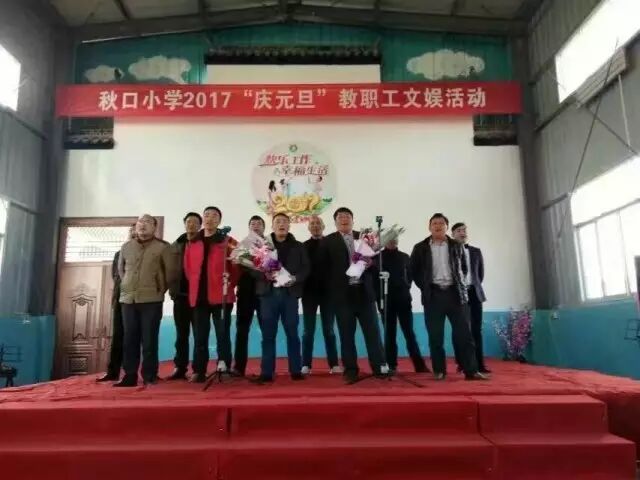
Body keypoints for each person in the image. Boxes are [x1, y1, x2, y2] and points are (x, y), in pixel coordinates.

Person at [410, 213, 488, 381]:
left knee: (465, 335)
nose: (438, 226)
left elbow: (464, 268)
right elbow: (414, 271)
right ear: (429, 227)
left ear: (446, 227)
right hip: (433, 296)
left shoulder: (456, 245)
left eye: (441, 223)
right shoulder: (420, 248)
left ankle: (471, 370)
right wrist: (425, 287)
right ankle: (439, 371)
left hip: (456, 295)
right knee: (435, 336)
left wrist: (458, 284)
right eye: (434, 223)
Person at [319, 207, 387, 384]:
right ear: (335, 222)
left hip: (364, 293)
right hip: (342, 296)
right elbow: (323, 269)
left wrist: (371, 263)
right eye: (340, 217)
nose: (344, 219)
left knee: (373, 333)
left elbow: (378, 261)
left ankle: (379, 367)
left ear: (352, 220)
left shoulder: (365, 238)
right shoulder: (328, 241)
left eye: (347, 216)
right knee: (346, 336)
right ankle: (350, 370)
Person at [115, 215, 174, 387]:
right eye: (140, 222)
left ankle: (149, 374)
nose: (142, 225)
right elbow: (121, 270)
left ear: (154, 227)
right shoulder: (127, 246)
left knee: (149, 339)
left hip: (151, 300)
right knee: (129, 338)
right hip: (128, 300)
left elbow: (170, 273)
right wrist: (127, 286)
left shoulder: (163, 247)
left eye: (147, 222)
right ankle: (129, 375)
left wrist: (159, 289)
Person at [184, 206, 239, 383]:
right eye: (207, 215)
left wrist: (230, 282)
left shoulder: (228, 240)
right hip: (199, 297)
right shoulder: (193, 241)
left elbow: (238, 266)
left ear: (219, 221)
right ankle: (199, 370)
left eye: (215, 216)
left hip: (221, 296)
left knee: (223, 334)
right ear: (203, 219)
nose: (210, 219)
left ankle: (224, 367)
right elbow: (188, 268)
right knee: (200, 336)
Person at [252, 213, 309, 383]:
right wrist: (264, 275)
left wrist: (295, 278)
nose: (281, 224)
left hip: (289, 295)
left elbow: (306, 268)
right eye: (278, 221)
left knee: (292, 333)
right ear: (272, 226)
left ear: (289, 226)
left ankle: (296, 370)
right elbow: (252, 268)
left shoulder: (298, 246)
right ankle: (267, 372)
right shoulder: (263, 245)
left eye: (285, 221)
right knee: (268, 335)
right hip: (268, 295)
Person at [376, 238, 428, 373]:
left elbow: (410, 276)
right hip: (386, 301)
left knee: (409, 332)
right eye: (389, 238)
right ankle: (391, 364)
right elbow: (375, 281)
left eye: (395, 238)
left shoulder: (404, 257)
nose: (392, 241)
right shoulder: (377, 258)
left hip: (403, 299)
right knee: (389, 333)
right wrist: (379, 298)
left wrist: (405, 287)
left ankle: (419, 365)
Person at [301, 215, 340, 375]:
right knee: (308, 331)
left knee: (329, 330)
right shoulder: (303, 246)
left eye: (318, 223)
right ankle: (306, 364)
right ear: (309, 228)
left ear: (323, 226)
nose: (315, 226)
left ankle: (334, 364)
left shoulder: (331, 244)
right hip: (309, 294)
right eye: (312, 224)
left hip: (328, 294)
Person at [97, 224, 136, 382]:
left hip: (139, 300)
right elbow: (116, 276)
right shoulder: (119, 254)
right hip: (120, 298)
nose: (134, 234)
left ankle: (134, 373)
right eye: (131, 232)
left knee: (135, 337)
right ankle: (113, 372)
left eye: (136, 231)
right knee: (118, 336)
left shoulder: (145, 253)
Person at [166, 212, 202, 380]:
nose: (191, 224)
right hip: (180, 296)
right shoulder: (175, 246)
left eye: (195, 222)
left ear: (200, 226)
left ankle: (198, 369)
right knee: (181, 335)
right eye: (188, 221)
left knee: (199, 334)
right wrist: (171, 290)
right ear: (184, 224)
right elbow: (167, 268)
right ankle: (180, 367)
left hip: (199, 297)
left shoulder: (204, 243)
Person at [451, 222, 490, 374]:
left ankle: (479, 364)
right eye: (459, 230)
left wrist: (472, 286)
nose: (462, 233)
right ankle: (462, 363)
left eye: (464, 230)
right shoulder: (450, 251)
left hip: (475, 293)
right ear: (453, 234)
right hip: (458, 294)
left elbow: (480, 274)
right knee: (460, 330)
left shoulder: (476, 251)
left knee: (476, 329)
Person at [232, 215, 265, 377]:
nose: (256, 225)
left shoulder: (269, 244)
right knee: (242, 330)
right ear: (249, 227)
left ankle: (267, 368)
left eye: (259, 223)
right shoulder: (242, 244)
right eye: (252, 223)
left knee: (267, 331)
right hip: (245, 292)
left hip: (264, 293)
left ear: (264, 227)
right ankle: (239, 367)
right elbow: (235, 261)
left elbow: (272, 267)